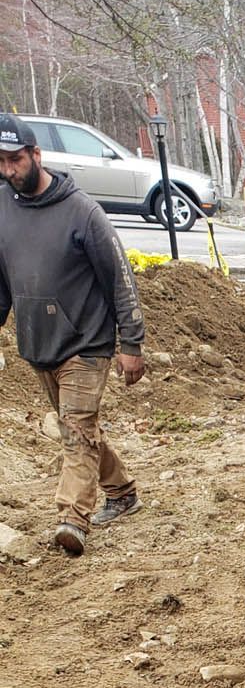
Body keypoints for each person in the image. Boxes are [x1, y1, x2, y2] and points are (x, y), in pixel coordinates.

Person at [0, 113, 145, 556]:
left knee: (76, 429)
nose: (9, 170)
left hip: (86, 343)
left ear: (36, 155)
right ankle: (121, 492)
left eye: (16, 160)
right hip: (38, 341)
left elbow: (120, 279)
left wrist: (131, 343)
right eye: (1, 162)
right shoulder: (1, 206)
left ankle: (72, 518)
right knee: (76, 429)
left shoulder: (82, 212)